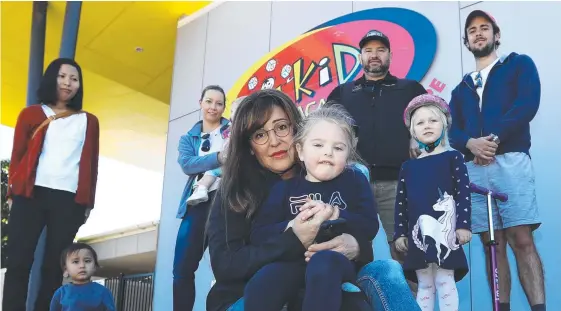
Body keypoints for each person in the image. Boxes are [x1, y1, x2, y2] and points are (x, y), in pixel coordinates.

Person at [206, 89, 421, 311]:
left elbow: (365, 227)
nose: (274, 141)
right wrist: (294, 237)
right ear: (249, 146)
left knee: (386, 271)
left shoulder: (337, 174)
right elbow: (227, 265)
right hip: (250, 290)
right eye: (260, 135)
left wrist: (356, 246)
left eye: (281, 127)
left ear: (297, 131)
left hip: (326, 277)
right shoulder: (237, 191)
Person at [449, 10, 545, 311]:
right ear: (466, 41)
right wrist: (469, 143)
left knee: (521, 238)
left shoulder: (518, 65)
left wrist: (493, 139)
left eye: (484, 28)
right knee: (492, 244)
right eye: (472, 30)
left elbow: (527, 103)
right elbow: (452, 128)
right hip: (474, 168)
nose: (478, 33)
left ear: (496, 35)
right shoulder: (460, 88)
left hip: (510, 161)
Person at [247, 105, 379, 310]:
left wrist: (336, 213)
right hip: (293, 263)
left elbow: (370, 226)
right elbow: (259, 233)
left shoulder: (355, 179)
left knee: (324, 263)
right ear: (300, 150)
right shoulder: (284, 189)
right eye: (318, 145)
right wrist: (292, 225)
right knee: (264, 279)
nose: (328, 152)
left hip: (337, 263)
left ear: (348, 153)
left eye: (338, 148)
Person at [3, 58, 100, 311]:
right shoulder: (31, 114)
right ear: (51, 79)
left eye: (74, 79)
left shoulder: (89, 121)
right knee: (18, 261)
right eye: (62, 76)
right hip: (30, 194)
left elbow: (91, 164)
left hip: (68, 200)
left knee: (54, 267)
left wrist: (88, 202)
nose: (68, 83)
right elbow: (18, 155)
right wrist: (12, 193)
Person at [327, 29, 427, 266]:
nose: (374, 55)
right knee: (354, 250)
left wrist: (417, 136)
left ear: (390, 56)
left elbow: (435, 116)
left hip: (397, 184)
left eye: (380, 50)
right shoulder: (343, 92)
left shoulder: (410, 89)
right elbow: (323, 129)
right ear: (360, 56)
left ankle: (409, 303)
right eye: (368, 50)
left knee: (405, 250)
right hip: (353, 185)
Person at [395, 94, 472, 310]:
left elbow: (463, 193)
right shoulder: (407, 167)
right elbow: (401, 203)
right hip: (418, 235)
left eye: (433, 120)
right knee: (424, 285)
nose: (427, 126)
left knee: (444, 280)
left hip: (446, 234)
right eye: (420, 122)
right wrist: (400, 233)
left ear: (444, 124)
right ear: (413, 130)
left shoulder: (454, 158)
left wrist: (463, 225)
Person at [174, 85, 229, 311]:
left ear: (224, 107)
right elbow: (187, 164)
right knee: (182, 269)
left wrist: (221, 159)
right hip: (196, 202)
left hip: (226, 200)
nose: (213, 107)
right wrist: (218, 157)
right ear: (201, 103)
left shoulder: (232, 128)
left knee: (225, 267)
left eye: (218, 103)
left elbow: (239, 154)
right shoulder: (188, 138)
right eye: (209, 101)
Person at [186, 96, 245, 205]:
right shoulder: (231, 128)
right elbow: (187, 164)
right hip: (231, 164)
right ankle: (201, 189)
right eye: (231, 111)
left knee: (211, 172)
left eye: (233, 111)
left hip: (232, 161)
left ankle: (202, 189)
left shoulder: (236, 128)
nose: (231, 114)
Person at [49, 243, 115, 311]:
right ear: (66, 270)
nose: (82, 265)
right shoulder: (61, 293)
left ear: (95, 267)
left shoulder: (103, 292)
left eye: (87, 261)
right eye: (76, 262)